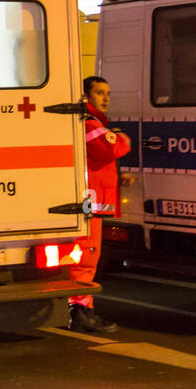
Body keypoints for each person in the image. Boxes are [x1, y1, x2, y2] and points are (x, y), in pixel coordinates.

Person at [68, 75, 130, 333]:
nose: (105, 98)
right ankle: (80, 312)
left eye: (108, 94)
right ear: (86, 96)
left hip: (93, 204)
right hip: (89, 205)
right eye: (99, 93)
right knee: (86, 260)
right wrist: (121, 136)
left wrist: (117, 176)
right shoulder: (89, 122)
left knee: (87, 260)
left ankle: (79, 309)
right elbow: (112, 148)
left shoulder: (92, 122)